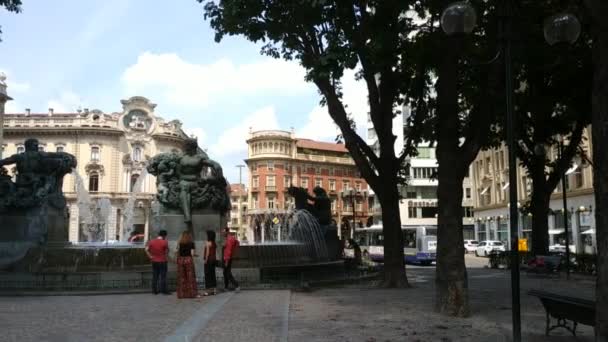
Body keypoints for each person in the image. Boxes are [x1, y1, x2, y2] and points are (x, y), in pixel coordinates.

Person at [175, 230, 199, 299]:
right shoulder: (191, 243)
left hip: (181, 260)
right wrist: (196, 255)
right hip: (188, 260)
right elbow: (192, 254)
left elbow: (177, 252)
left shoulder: (179, 243)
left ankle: (182, 294)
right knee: (190, 277)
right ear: (189, 236)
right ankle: (191, 294)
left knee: (181, 277)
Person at [145, 230, 170, 295]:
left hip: (154, 261)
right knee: (163, 276)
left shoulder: (151, 241)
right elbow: (167, 252)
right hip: (163, 261)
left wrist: (150, 256)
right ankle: (163, 290)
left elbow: (146, 249)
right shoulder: (165, 242)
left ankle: (154, 291)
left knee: (155, 276)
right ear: (164, 235)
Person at [203, 230, 218, 296]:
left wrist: (205, 260)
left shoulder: (208, 243)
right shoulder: (214, 243)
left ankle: (207, 291)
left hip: (209, 261)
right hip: (213, 260)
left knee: (207, 276)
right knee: (213, 275)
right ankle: (214, 290)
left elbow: (207, 253)